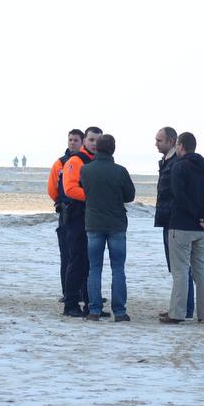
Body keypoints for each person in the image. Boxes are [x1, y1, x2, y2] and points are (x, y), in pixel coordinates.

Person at [161, 132, 204, 323]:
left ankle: (177, 313)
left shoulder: (179, 167)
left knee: (180, 271)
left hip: (181, 226)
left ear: (180, 146)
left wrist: (199, 215)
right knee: (201, 271)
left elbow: (178, 195)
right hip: (201, 229)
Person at [79, 134, 135, 321]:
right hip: (116, 224)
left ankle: (94, 310)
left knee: (94, 268)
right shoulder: (120, 171)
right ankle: (119, 311)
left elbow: (85, 191)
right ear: (113, 149)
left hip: (94, 223)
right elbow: (130, 196)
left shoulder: (86, 170)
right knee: (118, 268)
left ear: (97, 148)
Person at [60, 126, 102, 317]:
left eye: (98, 141)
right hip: (76, 218)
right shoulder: (75, 161)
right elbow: (69, 189)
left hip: (93, 218)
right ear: (85, 140)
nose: (94, 144)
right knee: (76, 262)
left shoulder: (99, 161)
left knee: (90, 263)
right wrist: (94, 196)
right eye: (91, 140)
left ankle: (90, 304)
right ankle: (70, 304)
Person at [155, 126, 194, 319]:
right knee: (177, 267)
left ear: (172, 142)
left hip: (174, 220)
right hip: (168, 218)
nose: (156, 144)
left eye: (159, 140)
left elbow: (176, 192)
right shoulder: (167, 161)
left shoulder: (176, 163)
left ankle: (183, 309)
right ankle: (179, 306)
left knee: (180, 267)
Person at [47, 128, 84, 304]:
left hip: (83, 212)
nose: (72, 143)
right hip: (66, 212)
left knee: (83, 256)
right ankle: (67, 292)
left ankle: (85, 293)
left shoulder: (87, 162)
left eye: (76, 140)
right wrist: (60, 203)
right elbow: (52, 188)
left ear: (82, 142)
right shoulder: (60, 163)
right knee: (67, 255)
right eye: (70, 140)